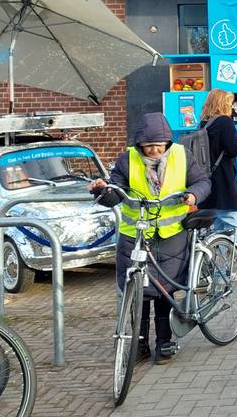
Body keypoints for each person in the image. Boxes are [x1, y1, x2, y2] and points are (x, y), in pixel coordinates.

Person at [88, 113, 210, 365]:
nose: (154, 150)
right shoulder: (127, 160)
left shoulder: (181, 155)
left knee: (164, 292)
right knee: (138, 292)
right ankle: (139, 343)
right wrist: (102, 190)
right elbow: (115, 194)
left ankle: (164, 343)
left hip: (171, 236)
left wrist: (193, 195)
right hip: (135, 236)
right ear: (139, 143)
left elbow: (202, 181)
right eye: (148, 145)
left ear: (167, 141)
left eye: (159, 145)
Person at [199, 88, 237, 234]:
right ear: (223, 103)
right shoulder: (224, 122)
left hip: (207, 185)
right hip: (223, 184)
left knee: (214, 229)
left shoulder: (204, 124)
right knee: (236, 228)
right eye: (230, 102)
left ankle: (212, 254)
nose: (232, 106)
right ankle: (219, 252)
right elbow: (234, 148)